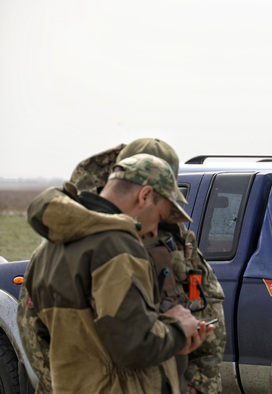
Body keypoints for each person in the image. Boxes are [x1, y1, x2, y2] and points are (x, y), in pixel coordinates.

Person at [17, 154, 214, 393]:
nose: (154, 233)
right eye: (160, 218)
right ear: (144, 196)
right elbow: (133, 343)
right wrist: (179, 329)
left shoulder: (47, 249)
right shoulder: (116, 247)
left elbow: (39, 332)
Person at [70, 138, 226, 394]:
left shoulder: (177, 240)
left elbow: (207, 306)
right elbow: (44, 331)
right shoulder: (84, 236)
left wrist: (200, 382)